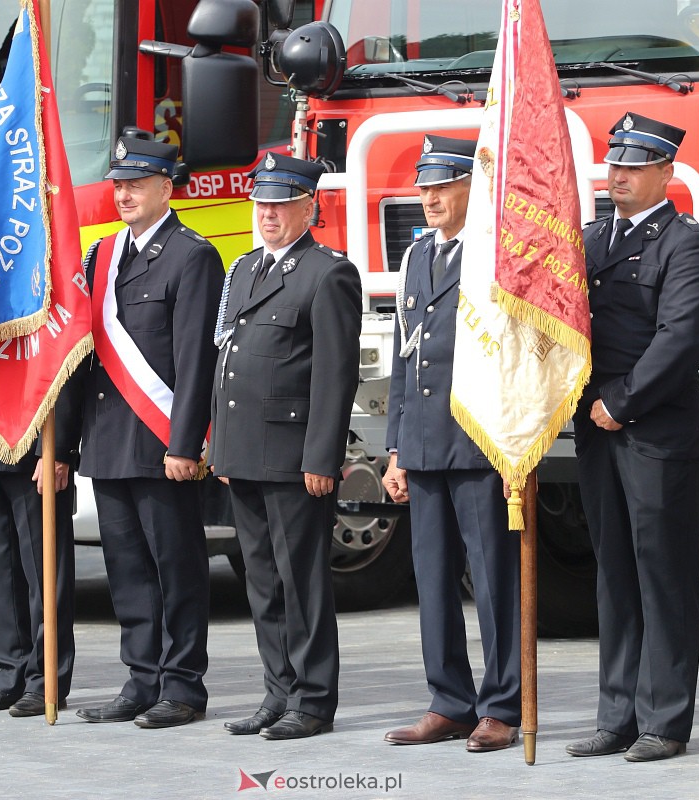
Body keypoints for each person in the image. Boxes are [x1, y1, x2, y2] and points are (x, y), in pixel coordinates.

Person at [565, 112, 699, 762]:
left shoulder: (686, 244)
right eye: (614, 164)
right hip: (595, 430)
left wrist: (620, 403)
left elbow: (682, 338)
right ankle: (617, 713)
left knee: (663, 576)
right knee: (615, 574)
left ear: (665, 172)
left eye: (632, 165)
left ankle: (665, 720)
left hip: (651, 429)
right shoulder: (592, 238)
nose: (617, 175)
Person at [72, 136, 222, 729]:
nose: (125, 193)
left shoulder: (191, 255)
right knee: (127, 569)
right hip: (109, 438)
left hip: (161, 443)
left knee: (176, 567)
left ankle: (182, 687)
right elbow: (85, 355)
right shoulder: (103, 254)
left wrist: (185, 443)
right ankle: (141, 679)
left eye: (137, 183)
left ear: (167, 187)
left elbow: (193, 360)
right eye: (119, 184)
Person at [210, 153, 361, 740]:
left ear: (308, 207)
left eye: (280, 202)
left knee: (302, 583)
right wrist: (221, 450)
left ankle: (314, 700)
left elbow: (333, 374)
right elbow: (228, 363)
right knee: (262, 579)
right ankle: (278, 691)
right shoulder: (246, 269)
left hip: (295, 457)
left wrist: (321, 457)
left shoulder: (327, 273)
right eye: (262, 203)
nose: (268, 213)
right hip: (245, 452)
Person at [380, 135, 522, 753]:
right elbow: (404, 355)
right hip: (425, 442)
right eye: (425, 186)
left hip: (480, 438)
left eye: (443, 185)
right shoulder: (417, 258)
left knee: (492, 579)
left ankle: (502, 704)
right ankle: (450, 700)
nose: (430, 197)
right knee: (432, 579)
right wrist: (395, 448)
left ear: (474, 186)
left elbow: (519, 355)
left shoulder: (496, 256)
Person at [0, 418, 76, 717]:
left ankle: (46, 681)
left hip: (35, 441)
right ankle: (11, 675)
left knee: (44, 574)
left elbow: (63, 376)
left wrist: (58, 449)